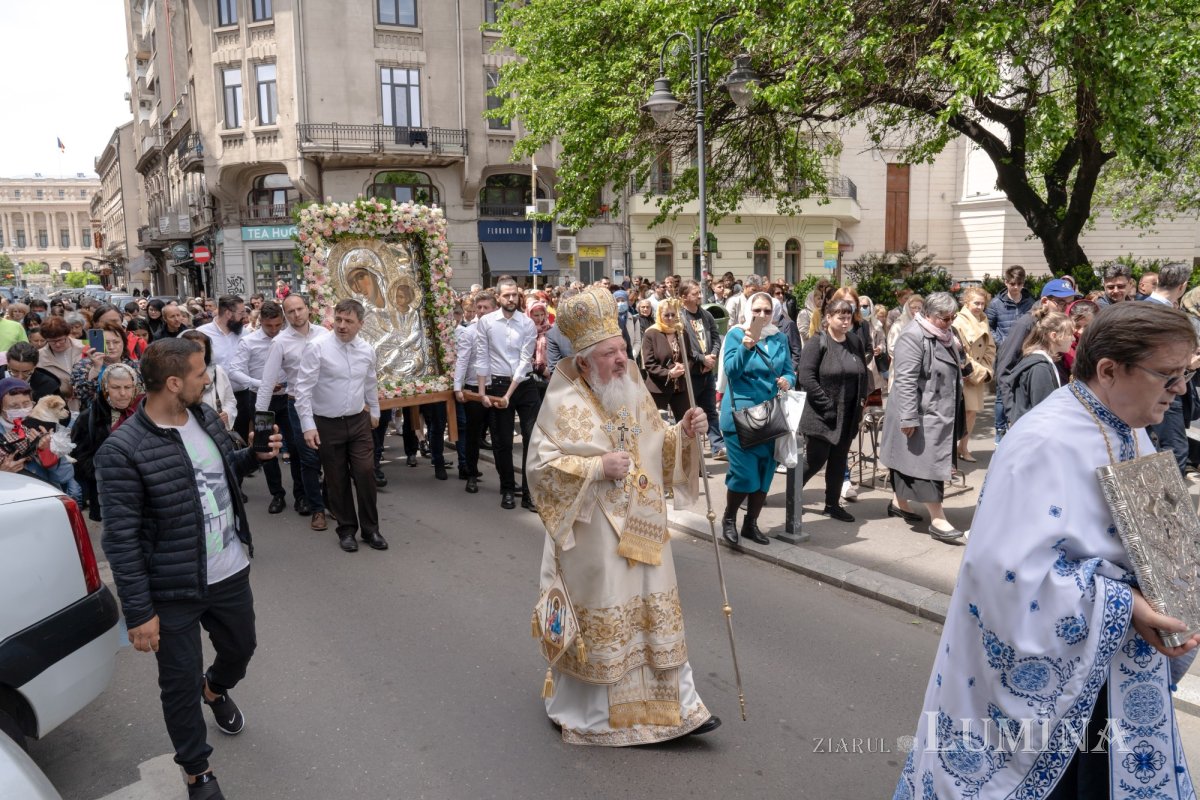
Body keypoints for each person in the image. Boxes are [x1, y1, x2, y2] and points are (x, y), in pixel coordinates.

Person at [894, 301, 1200, 800]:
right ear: (1108, 370)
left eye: (1183, 375)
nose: (1181, 390)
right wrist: (1126, 606)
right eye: (1167, 376)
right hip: (1057, 684)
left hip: (1117, 669)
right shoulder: (1043, 440)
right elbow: (1005, 576)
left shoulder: (1133, 429)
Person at [524, 286, 719, 745]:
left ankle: (679, 708)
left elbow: (656, 447)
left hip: (645, 528)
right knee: (609, 623)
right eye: (609, 353)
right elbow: (539, 470)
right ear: (586, 358)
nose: (620, 359)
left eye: (621, 350)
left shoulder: (630, 387)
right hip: (595, 538)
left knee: (655, 619)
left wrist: (685, 433)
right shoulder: (561, 402)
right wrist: (595, 467)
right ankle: (598, 714)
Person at [96, 337, 281, 800]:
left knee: (241, 648)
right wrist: (139, 612)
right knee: (178, 685)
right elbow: (120, 539)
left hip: (229, 571)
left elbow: (222, 474)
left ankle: (215, 689)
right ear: (174, 383)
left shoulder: (203, 417)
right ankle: (198, 771)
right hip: (172, 588)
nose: (208, 379)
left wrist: (252, 458)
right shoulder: (121, 451)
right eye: (201, 374)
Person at [295, 299, 385, 553]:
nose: (342, 326)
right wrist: (308, 425)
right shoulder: (317, 347)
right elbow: (303, 389)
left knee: (366, 472)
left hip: (358, 422)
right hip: (326, 423)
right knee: (337, 479)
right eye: (339, 320)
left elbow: (370, 382)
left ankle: (371, 530)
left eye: (349, 321)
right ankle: (347, 530)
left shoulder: (367, 350)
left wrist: (374, 410)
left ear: (361, 324)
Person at [879, 291, 965, 543]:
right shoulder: (913, 336)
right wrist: (908, 417)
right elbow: (905, 380)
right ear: (927, 314)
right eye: (944, 318)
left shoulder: (946, 335)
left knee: (911, 460)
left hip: (939, 410)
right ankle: (938, 520)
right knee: (928, 466)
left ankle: (898, 502)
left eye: (952, 317)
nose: (949, 323)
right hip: (922, 412)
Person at [719, 291, 796, 546]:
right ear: (748, 311)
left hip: (771, 413)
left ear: (773, 312)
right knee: (745, 474)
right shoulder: (736, 334)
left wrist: (789, 380)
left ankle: (750, 524)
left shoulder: (779, 337)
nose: (761, 315)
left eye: (766, 310)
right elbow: (731, 370)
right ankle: (729, 519)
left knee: (765, 473)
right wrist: (746, 346)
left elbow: (788, 369)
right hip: (741, 415)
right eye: (756, 310)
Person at [256, 294, 329, 531]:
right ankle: (317, 509)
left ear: (308, 309)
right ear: (285, 315)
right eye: (290, 311)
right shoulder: (281, 342)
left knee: (331, 457)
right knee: (308, 458)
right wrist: (261, 418)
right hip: (298, 405)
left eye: (299, 309)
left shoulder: (324, 334)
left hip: (327, 405)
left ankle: (331, 502)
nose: (296, 315)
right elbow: (268, 382)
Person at [797, 298, 867, 522]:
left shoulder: (855, 342)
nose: (846, 321)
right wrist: (826, 405)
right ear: (828, 318)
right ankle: (793, 495)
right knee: (815, 459)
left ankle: (832, 504)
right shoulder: (817, 342)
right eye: (841, 317)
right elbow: (806, 377)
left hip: (848, 415)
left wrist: (862, 401)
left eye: (848, 317)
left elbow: (862, 373)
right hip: (821, 415)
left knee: (839, 460)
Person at [473, 277, 539, 512]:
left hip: (524, 385)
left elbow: (524, 361)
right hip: (498, 385)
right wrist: (482, 392)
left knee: (533, 440)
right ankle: (508, 489)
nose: (511, 299)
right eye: (507, 295)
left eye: (514, 295)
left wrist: (510, 394)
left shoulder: (527, 324)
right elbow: (482, 356)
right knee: (502, 442)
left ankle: (529, 494)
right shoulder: (487, 323)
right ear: (498, 297)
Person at [228, 301, 289, 512]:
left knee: (298, 448)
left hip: (289, 398)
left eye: (278, 325)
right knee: (266, 447)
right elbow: (234, 371)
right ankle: (277, 494)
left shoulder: (289, 337)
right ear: (260, 321)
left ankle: (302, 494)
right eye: (269, 326)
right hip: (261, 399)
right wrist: (261, 384)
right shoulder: (249, 342)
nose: (274, 330)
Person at [1143, 262, 1200, 475]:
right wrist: (1188, 364)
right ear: (1183, 286)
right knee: (1174, 452)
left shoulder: (1141, 307)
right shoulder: (1165, 315)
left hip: (1151, 391)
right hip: (1164, 391)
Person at [71, 363, 141, 521]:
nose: (123, 393)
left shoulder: (144, 414)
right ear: (105, 388)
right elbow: (80, 457)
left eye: (128, 387)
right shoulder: (88, 418)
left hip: (142, 493)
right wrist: (106, 475)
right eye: (116, 387)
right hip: (107, 495)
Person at [454, 290, 498, 492]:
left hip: (497, 387)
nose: (481, 311)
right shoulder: (468, 332)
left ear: (494, 309)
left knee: (499, 435)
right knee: (473, 434)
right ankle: (471, 473)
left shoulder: (500, 330)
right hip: (473, 389)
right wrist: (458, 387)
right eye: (478, 308)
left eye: (485, 307)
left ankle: (505, 479)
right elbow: (462, 360)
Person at [999, 310, 1074, 427]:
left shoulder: (1039, 361)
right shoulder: (1040, 368)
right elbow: (1045, 413)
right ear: (1054, 336)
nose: (1073, 339)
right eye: (1070, 334)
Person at [678, 278, 724, 458]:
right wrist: (701, 359)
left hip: (708, 372)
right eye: (695, 293)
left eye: (699, 292)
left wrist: (712, 356)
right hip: (692, 373)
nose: (699, 296)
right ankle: (690, 451)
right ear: (684, 297)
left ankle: (717, 447)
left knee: (711, 410)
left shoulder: (706, 315)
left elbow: (715, 336)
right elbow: (684, 347)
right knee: (690, 412)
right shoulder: (680, 318)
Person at [952, 287, 996, 462]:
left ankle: (963, 447)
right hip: (965, 373)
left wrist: (985, 369)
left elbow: (990, 347)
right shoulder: (958, 321)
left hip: (978, 373)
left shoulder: (983, 320)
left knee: (971, 413)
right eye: (976, 303)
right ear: (966, 302)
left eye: (982, 303)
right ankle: (952, 450)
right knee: (960, 413)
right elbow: (960, 351)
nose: (979, 306)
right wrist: (976, 371)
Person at [640, 298, 694, 423]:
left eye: (673, 315)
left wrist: (685, 368)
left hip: (680, 387)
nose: (670, 318)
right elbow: (649, 363)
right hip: (658, 388)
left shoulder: (681, 332)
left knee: (685, 424)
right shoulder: (651, 334)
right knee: (656, 426)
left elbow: (690, 357)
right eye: (666, 315)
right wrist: (669, 373)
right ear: (659, 314)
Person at [71, 321, 139, 411]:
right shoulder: (81, 366)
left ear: (124, 343)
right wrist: (95, 369)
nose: (111, 347)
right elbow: (82, 395)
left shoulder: (135, 367)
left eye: (116, 342)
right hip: (96, 418)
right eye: (106, 343)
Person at [180, 331, 237, 432]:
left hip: (218, 431)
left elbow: (230, 400)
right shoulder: (178, 376)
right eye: (192, 348)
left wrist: (227, 413)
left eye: (201, 349)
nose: (197, 353)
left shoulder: (217, 371)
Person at [38, 316, 85, 403]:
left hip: (86, 403)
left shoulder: (83, 347)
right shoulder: (39, 356)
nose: (58, 344)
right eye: (52, 341)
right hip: (59, 405)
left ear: (67, 335)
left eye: (61, 340)